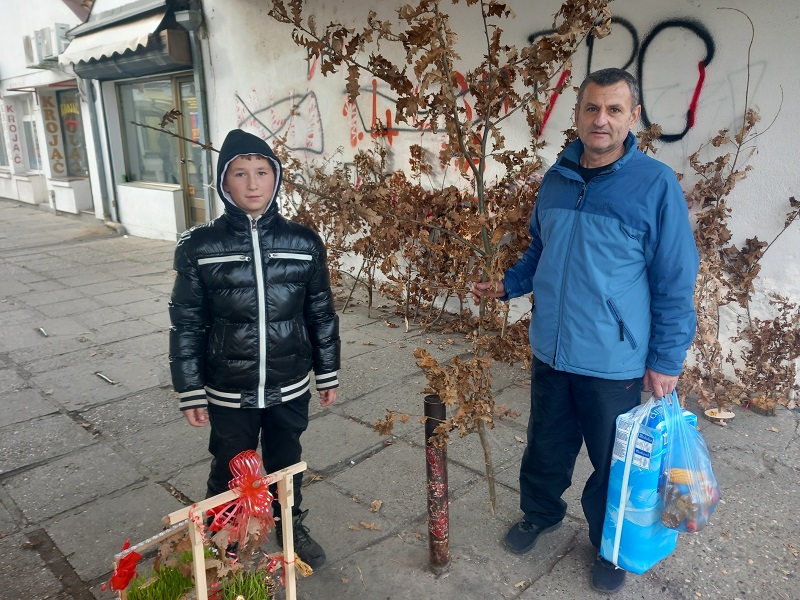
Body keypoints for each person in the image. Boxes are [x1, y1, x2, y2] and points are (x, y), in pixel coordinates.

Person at [471, 68, 698, 593]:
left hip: (612, 358)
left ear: (633, 117)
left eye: (614, 109)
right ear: (575, 116)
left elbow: (674, 281)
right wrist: (508, 284)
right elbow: (541, 251)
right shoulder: (556, 178)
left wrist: (666, 360)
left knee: (611, 462)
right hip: (551, 348)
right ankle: (540, 513)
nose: (601, 120)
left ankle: (610, 544)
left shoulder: (655, 185)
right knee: (545, 445)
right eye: (592, 109)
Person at [168, 128, 340, 569]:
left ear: (276, 178)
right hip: (229, 387)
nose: (252, 183)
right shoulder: (200, 247)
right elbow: (187, 321)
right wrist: (190, 388)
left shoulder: (303, 243)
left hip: (289, 383)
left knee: (287, 462)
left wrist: (328, 371)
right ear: (224, 182)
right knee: (230, 464)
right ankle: (221, 537)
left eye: (261, 172)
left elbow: (320, 313)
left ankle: (290, 524)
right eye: (240, 173)